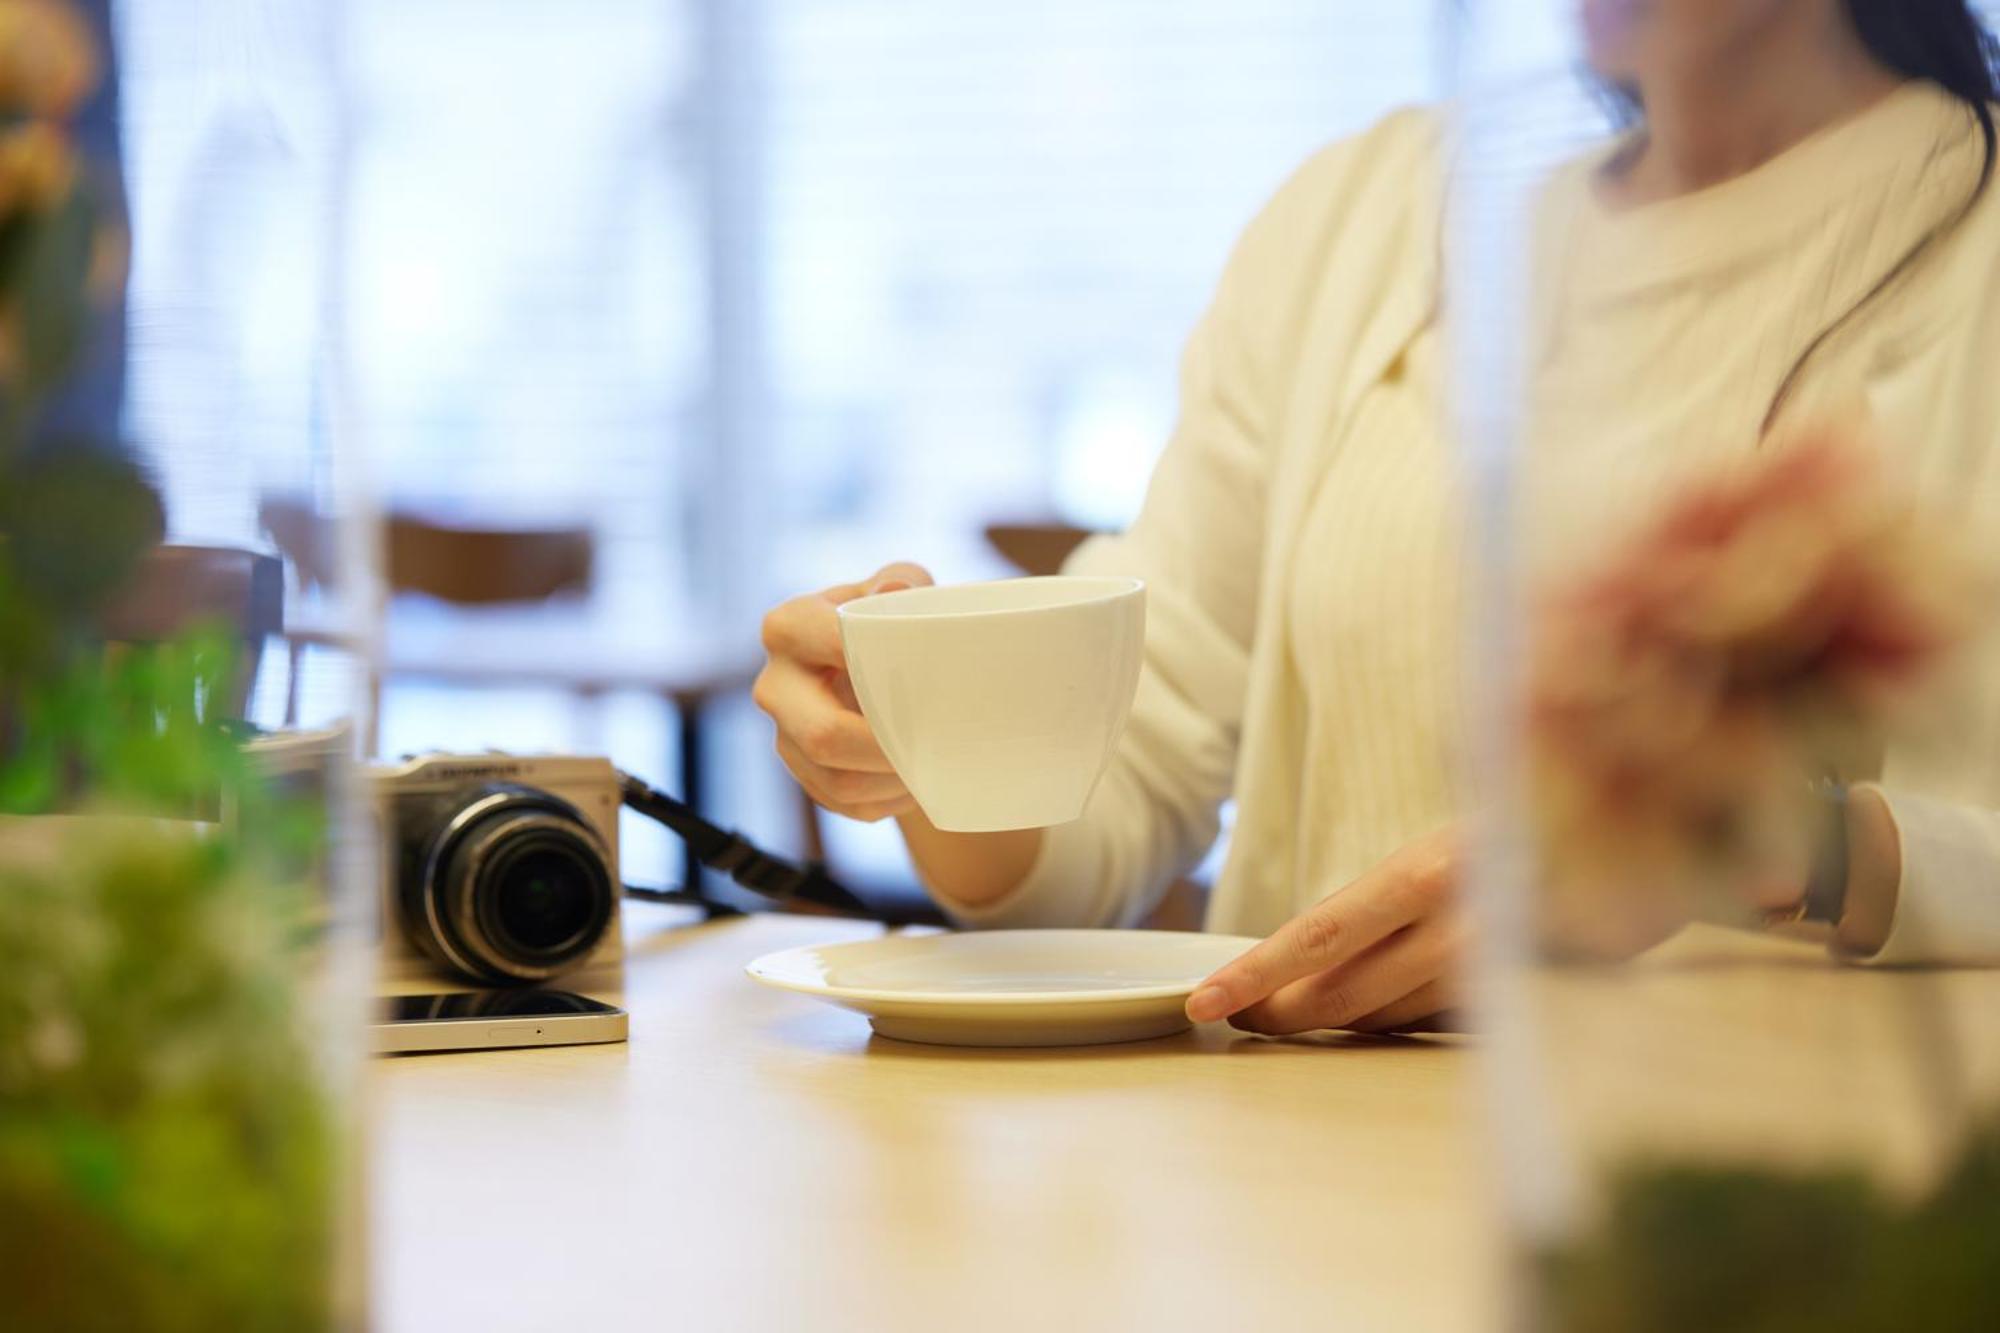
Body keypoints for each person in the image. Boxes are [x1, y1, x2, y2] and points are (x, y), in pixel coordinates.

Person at [754, 0, 2000, 1035]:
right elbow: (1103, 811)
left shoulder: (1969, 251)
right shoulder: (1365, 219)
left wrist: (1753, 845)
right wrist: (930, 748)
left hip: (1756, 1226)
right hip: (1279, 1187)